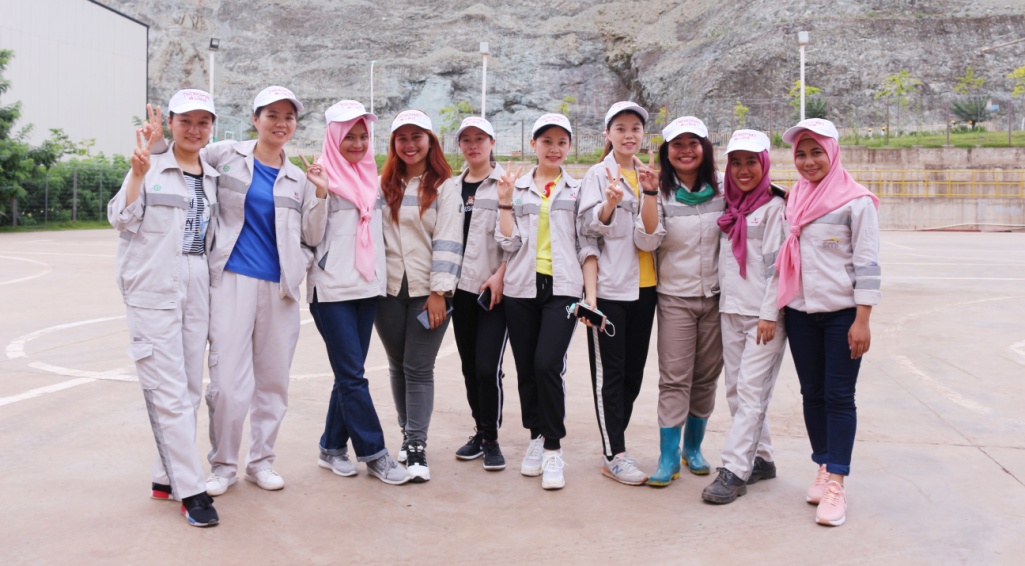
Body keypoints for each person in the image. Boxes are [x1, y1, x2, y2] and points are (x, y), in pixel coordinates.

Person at [174, 86, 328, 496]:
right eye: (271, 115)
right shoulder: (223, 155)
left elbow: (313, 236)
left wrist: (321, 193)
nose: (281, 123)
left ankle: (261, 462)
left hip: (280, 290)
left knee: (273, 381)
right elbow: (184, 159)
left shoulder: (300, 178)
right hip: (230, 281)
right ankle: (223, 464)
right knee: (226, 383)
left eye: (288, 117)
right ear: (255, 119)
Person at [108, 90, 219, 527]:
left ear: (212, 127)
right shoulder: (148, 164)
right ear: (169, 123)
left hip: (196, 281)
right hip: (153, 287)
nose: (194, 130)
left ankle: (163, 477)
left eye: (203, 122)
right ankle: (191, 489)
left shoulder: (211, 175)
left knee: (189, 388)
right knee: (168, 391)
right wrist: (138, 174)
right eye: (185, 121)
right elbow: (120, 218)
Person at [776, 118, 880, 527]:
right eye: (801, 154)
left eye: (816, 152)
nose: (808, 161)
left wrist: (862, 319)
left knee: (839, 396)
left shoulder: (857, 202)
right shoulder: (794, 199)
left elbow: (867, 264)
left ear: (833, 152)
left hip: (842, 315)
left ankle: (837, 482)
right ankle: (822, 464)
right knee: (812, 394)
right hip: (800, 314)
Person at [307, 100, 409, 485]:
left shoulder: (371, 178)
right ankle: (375, 453)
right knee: (352, 375)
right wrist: (320, 194)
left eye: (363, 136)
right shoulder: (318, 175)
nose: (357, 143)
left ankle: (331, 447)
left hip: (367, 288)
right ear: (333, 137)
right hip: (331, 290)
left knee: (348, 374)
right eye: (348, 136)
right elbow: (310, 236)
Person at [497, 114, 597, 490]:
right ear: (534, 145)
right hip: (520, 289)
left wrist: (590, 297)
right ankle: (536, 437)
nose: (554, 149)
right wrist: (504, 202)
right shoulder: (517, 188)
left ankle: (554, 448)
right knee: (527, 369)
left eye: (561, 142)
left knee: (547, 365)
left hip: (564, 290)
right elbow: (508, 243)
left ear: (569, 146)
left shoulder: (577, 190)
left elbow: (587, 244)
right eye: (547, 142)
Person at [699, 130, 788, 504]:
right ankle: (762, 458)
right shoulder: (730, 206)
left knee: (752, 391)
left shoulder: (774, 208)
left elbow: (779, 268)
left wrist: (770, 313)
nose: (743, 170)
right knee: (737, 390)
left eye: (751, 161)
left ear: (764, 163)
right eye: (736, 162)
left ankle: (735, 470)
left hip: (763, 318)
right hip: (731, 311)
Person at [636, 116, 724, 486]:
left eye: (693, 143)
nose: (686, 151)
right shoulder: (659, 192)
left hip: (717, 299)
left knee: (706, 377)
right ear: (666, 152)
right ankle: (668, 456)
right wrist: (649, 194)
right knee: (674, 379)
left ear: (705, 148)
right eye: (677, 145)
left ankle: (693, 448)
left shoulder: (723, 190)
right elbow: (646, 241)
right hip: (675, 298)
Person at [376, 110, 461, 483]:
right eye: (402, 138)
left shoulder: (445, 187)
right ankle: (407, 435)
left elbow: (448, 240)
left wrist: (440, 291)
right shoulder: (384, 185)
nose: (409, 145)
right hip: (388, 291)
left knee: (419, 367)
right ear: (394, 143)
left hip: (429, 293)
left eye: (417, 137)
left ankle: (416, 446)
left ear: (430, 141)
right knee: (397, 365)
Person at [577, 101, 657, 485]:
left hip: (646, 288)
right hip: (610, 289)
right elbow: (587, 234)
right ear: (607, 134)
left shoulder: (648, 175)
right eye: (620, 128)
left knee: (633, 375)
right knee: (610, 374)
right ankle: (615, 454)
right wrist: (608, 205)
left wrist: (651, 192)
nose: (629, 135)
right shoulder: (597, 175)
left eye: (635, 128)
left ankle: (615, 443)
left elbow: (653, 235)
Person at [449, 116, 510, 471]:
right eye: (467, 140)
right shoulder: (451, 188)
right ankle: (480, 431)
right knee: (470, 367)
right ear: (459, 145)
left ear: (492, 143)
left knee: (488, 368)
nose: (473, 145)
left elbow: (519, 237)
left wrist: (501, 275)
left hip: (493, 292)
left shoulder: (507, 184)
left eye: (480, 139)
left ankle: (491, 438)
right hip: (459, 291)